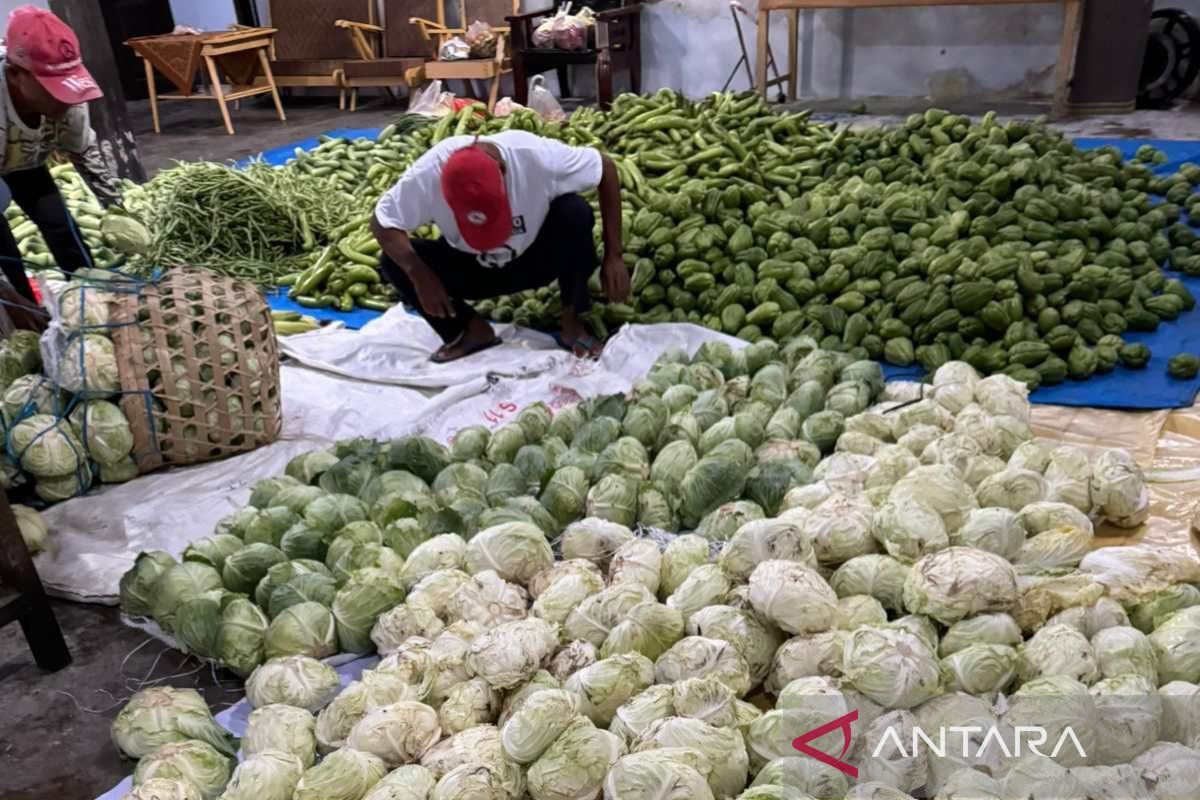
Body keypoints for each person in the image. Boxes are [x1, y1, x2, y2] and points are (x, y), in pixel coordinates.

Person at [371, 129, 630, 363]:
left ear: (503, 171)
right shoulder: (429, 174)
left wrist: (613, 256)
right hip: (473, 268)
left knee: (575, 212)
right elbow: (382, 221)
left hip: (535, 260)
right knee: (394, 261)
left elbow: (605, 167)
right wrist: (419, 273)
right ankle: (470, 330)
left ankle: (572, 320)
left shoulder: (537, 157)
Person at [0, 5, 121, 303]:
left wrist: (116, 208)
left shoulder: (70, 93)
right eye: (50, 87)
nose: (65, 98)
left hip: (26, 161)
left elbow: (85, 154)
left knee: (59, 223)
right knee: (5, 254)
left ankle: (90, 297)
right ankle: (24, 315)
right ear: (16, 75)